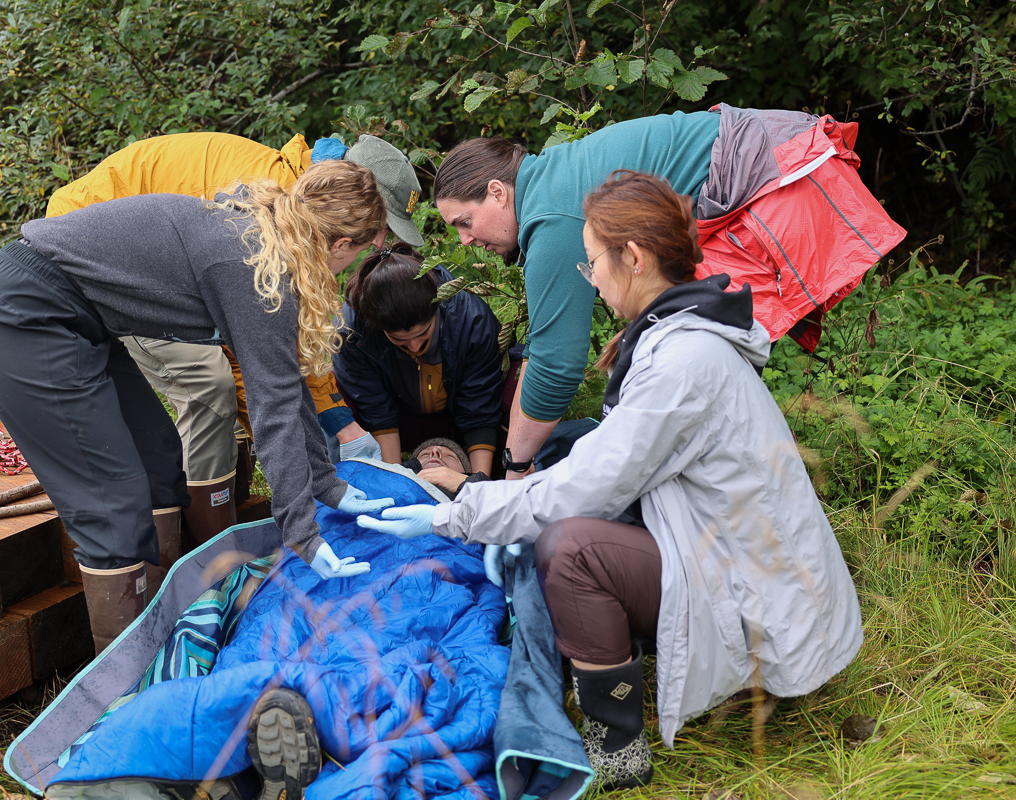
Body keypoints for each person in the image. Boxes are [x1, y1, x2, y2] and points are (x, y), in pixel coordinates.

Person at [359, 171, 864, 790]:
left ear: (633, 256)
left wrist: (453, 513)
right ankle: (606, 664)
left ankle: (616, 748)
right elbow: (598, 458)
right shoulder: (677, 337)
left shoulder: (683, 362)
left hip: (753, 595)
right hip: (733, 555)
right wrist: (476, 492)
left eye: (592, 262)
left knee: (570, 552)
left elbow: (585, 489)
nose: (591, 278)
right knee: (567, 453)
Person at [0, 161, 397, 652]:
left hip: (78, 319)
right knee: (113, 504)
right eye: (358, 256)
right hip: (22, 313)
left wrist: (326, 485)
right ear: (338, 245)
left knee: (157, 459)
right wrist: (302, 532)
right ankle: (124, 678)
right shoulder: (252, 265)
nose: (348, 269)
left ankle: (164, 621)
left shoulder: (268, 240)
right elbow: (272, 410)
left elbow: (286, 385)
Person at [432, 106, 906, 478]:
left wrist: (515, 473)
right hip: (778, 157)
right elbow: (544, 354)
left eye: (464, 223)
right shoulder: (552, 184)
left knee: (706, 357)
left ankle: (738, 492)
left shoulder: (552, 219)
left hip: (779, 180)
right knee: (689, 356)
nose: (465, 241)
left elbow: (556, 364)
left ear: (497, 192)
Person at [46, 131, 426, 545]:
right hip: (93, 260)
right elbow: (256, 358)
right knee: (209, 384)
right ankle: (216, 548)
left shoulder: (308, 211)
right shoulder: (274, 206)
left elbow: (288, 347)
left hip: (149, 265)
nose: (379, 242)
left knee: (241, 393)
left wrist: (338, 423)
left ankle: (230, 500)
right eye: (380, 226)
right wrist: (302, 467)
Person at [334, 244, 504, 475]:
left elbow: (479, 405)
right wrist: (395, 483)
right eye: (399, 340)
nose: (415, 347)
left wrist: (477, 484)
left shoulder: (471, 319)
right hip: (395, 418)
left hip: (456, 412)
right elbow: (377, 411)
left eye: (423, 334)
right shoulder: (351, 333)